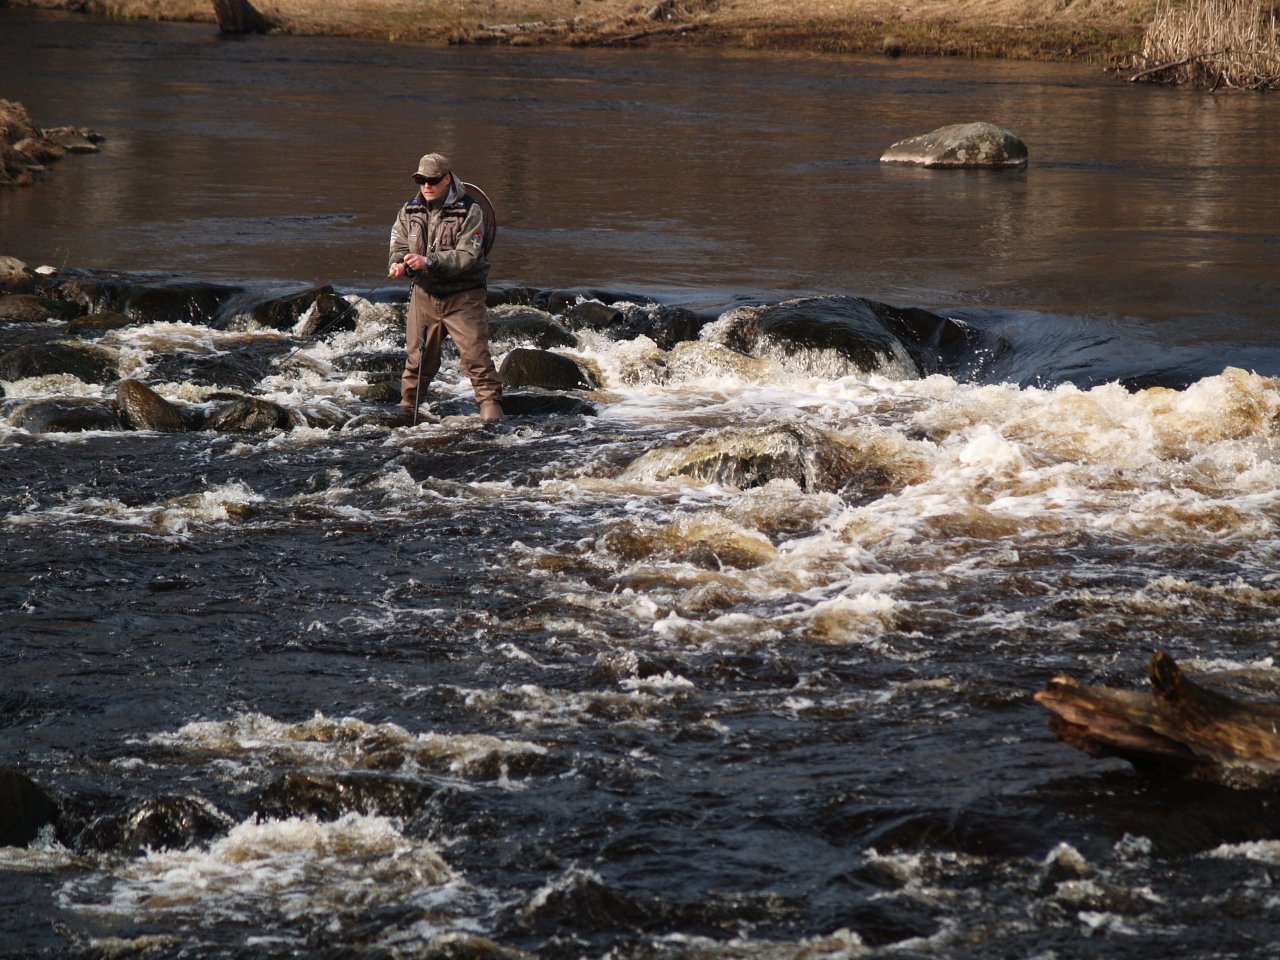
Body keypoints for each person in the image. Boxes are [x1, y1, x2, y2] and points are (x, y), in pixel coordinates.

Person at [388, 152, 502, 423]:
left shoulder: (470, 210)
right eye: (421, 180)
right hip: (424, 295)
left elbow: (468, 255)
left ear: (447, 179)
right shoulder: (409, 210)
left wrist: (429, 261)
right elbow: (399, 246)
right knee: (417, 361)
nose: (427, 185)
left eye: (433, 180)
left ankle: (493, 422)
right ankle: (407, 413)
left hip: (463, 296)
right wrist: (398, 264)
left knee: (476, 359)